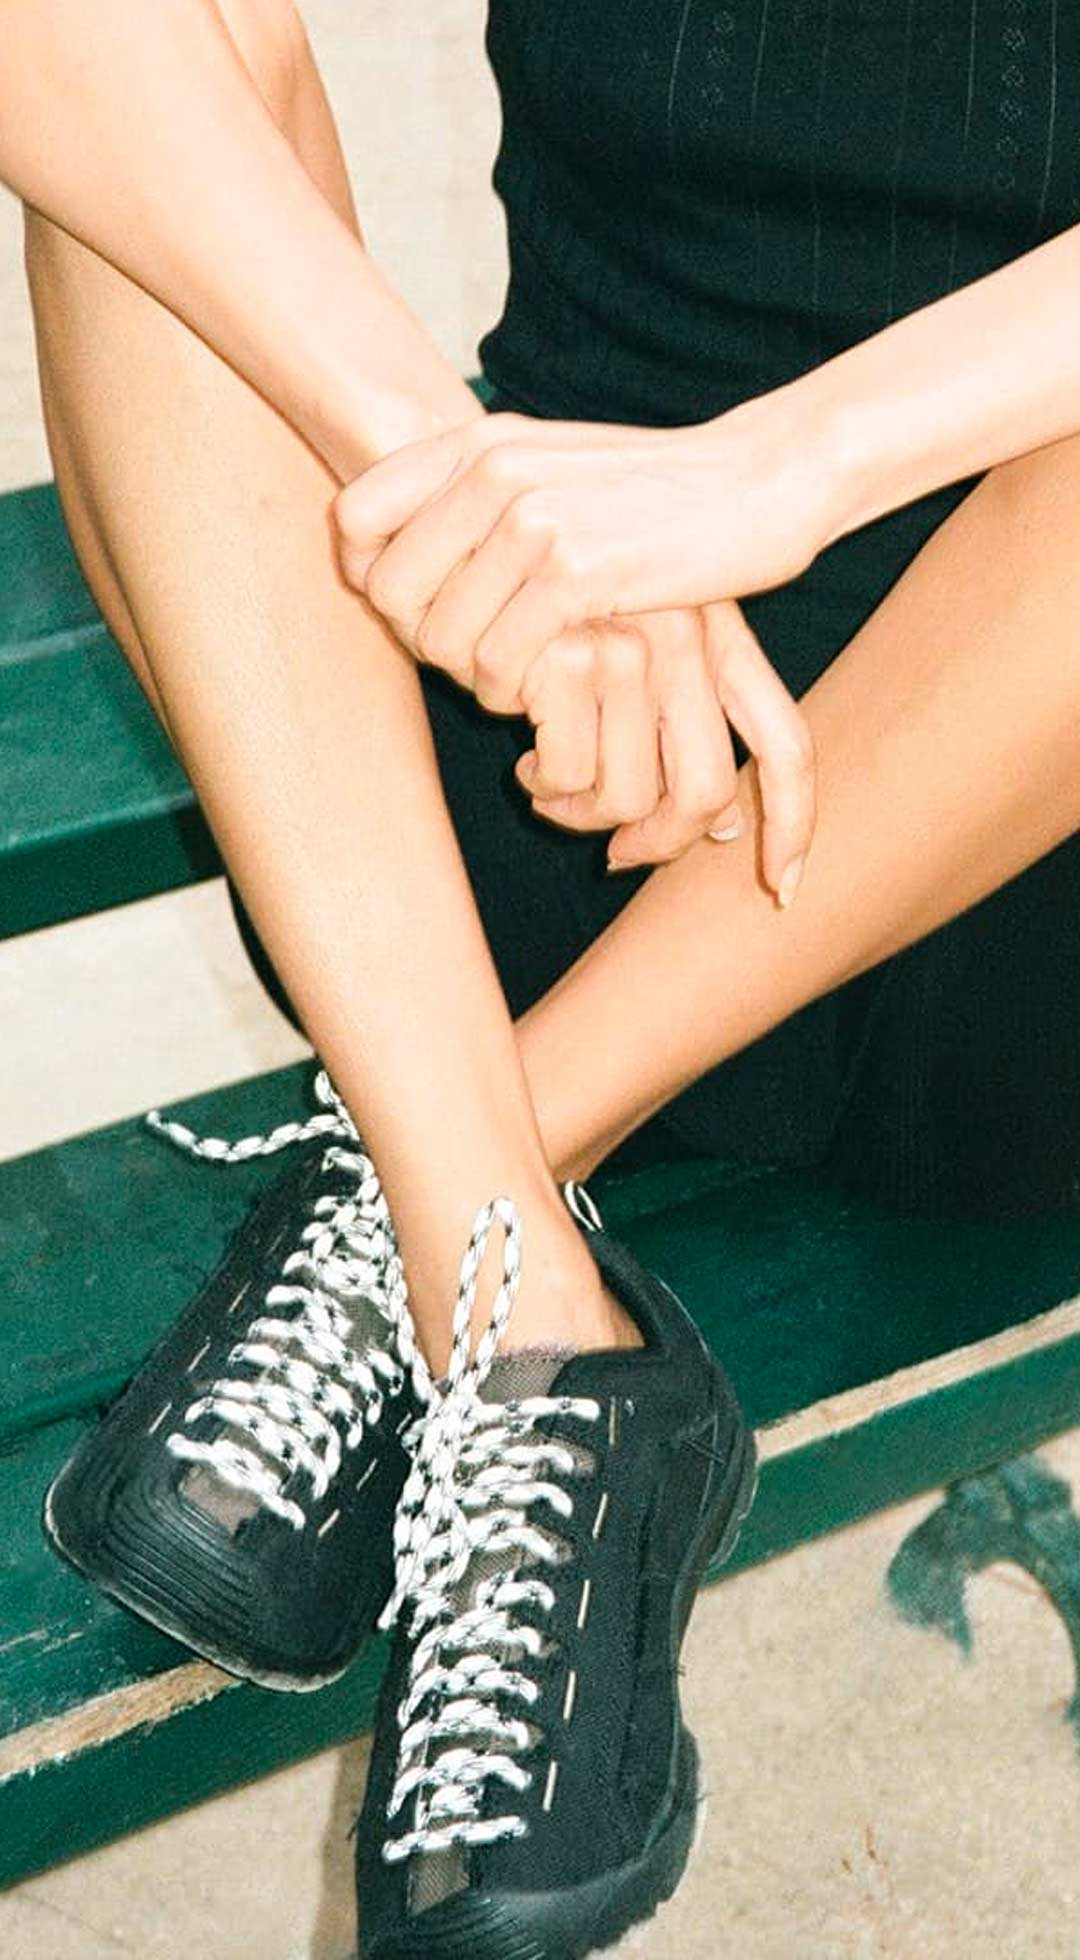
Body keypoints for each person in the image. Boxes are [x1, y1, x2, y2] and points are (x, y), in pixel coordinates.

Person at [7, 1, 1080, 1951]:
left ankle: (453, 1203)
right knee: (147, 130)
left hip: (1015, 880)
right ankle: (520, 1289)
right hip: (536, 781)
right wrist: (462, 488)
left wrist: (773, 475)